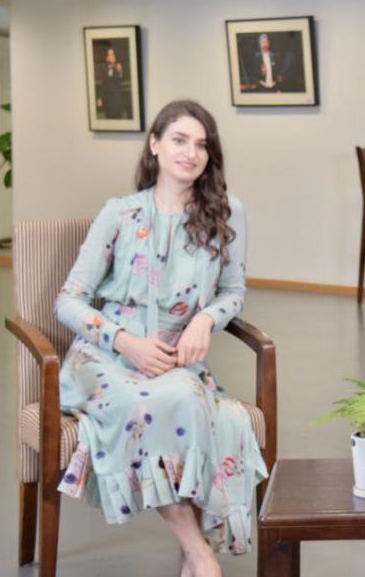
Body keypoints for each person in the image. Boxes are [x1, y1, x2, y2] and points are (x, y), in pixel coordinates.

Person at [54, 99, 267, 577]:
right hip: (106, 357)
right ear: (154, 145)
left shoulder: (228, 213)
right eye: (179, 140)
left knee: (186, 399)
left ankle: (194, 555)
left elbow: (233, 291)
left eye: (201, 145)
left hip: (173, 359)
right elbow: (68, 300)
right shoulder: (120, 214)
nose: (191, 153)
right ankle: (200, 554)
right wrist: (124, 341)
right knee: (148, 404)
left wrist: (204, 320)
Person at [94, 45, 133, 120]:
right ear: (107, 57)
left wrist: (120, 71)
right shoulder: (104, 68)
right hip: (107, 99)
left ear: (115, 56)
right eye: (109, 55)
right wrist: (99, 98)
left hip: (117, 99)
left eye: (113, 54)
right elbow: (102, 84)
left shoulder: (120, 67)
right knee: (109, 118)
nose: (111, 57)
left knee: (118, 118)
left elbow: (123, 78)